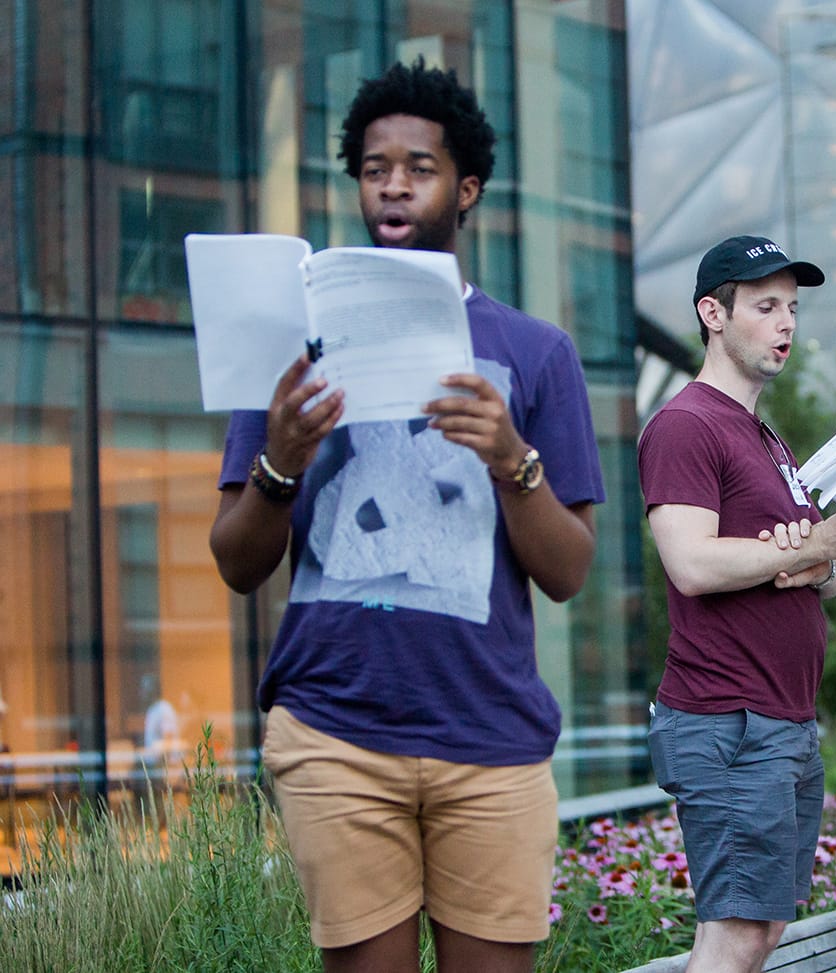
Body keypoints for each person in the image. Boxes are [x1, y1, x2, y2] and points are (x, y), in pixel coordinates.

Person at [209, 60, 604, 973]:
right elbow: (236, 562)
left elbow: (569, 570)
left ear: (465, 189)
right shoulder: (289, 347)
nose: (392, 181)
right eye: (374, 165)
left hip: (490, 734)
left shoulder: (536, 353)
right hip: (334, 725)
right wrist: (280, 463)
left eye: (418, 165)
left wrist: (512, 460)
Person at [637, 235, 836, 973]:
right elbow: (689, 563)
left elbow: (830, 573)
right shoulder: (687, 423)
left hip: (779, 719)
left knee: (761, 929)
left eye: (794, 308)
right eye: (766, 306)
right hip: (728, 717)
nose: (786, 324)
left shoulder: (769, 439)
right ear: (712, 313)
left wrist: (818, 556)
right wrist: (813, 547)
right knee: (740, 931)